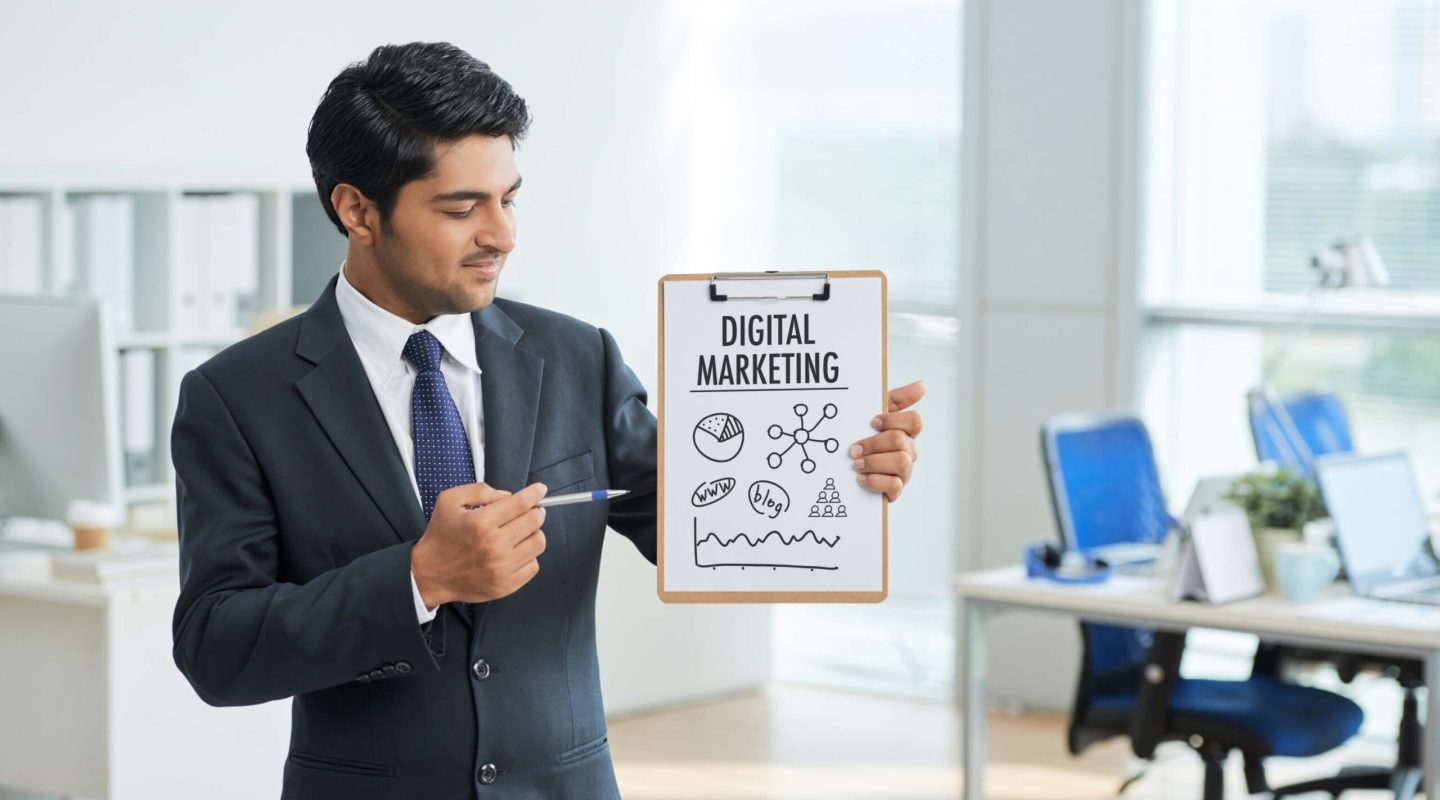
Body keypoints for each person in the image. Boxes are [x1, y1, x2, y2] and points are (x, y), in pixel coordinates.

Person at [170, 41, 926, 799]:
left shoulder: (578, 358)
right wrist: (417, 579)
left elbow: (702, 527)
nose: (501, 235)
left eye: (508, 198)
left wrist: (842, 470)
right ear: (356, 210)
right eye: (463, 208)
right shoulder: (237, 399)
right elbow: (216, 646)